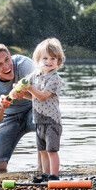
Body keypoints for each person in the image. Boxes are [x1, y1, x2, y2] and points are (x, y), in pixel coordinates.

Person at [0, 43, 36, 172]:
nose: (6, 66)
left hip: (35, 110)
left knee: (47, 118)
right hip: (10, 117)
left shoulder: (24, 64)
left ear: (10, 56)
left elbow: (49, 98)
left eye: (6, 60)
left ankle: (45, 170)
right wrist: (0, 107)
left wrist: (26, 94)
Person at [21, 38, 65, 182]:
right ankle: (45, 175)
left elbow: (42, 96)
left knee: (52, 151)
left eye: (53, 58)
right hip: (39, 120)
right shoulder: (35, 75)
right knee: (42, 151)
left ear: (58, 61)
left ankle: (54, 175)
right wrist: (20, 91)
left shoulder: (55, 78)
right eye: (45, 58)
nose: (49, 61)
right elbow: (32, 95)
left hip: (52, 121)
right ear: (37, 61)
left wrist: (30, 88)